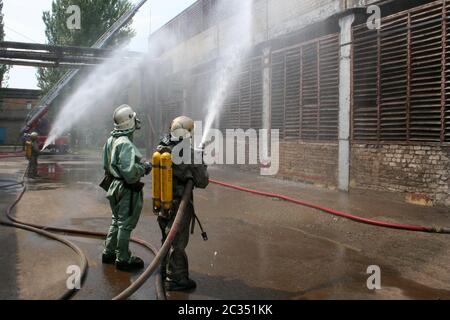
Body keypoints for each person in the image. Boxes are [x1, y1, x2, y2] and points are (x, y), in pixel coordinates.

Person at [156, 116, 209, 291]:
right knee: (177, 242)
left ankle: (163, 270)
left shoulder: (162, 148)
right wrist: (201, 162)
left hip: (163, 202)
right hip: (179, 204)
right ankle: (176, 278)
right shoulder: (189, 154)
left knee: (166, 237)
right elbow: (202, 181)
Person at [101, 105, 152, 272]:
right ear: (129, 122)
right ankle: (123, 259)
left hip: (114, 186)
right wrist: (144, 169)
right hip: (126, 188)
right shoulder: (125, 144)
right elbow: (130, 174)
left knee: (116, 220)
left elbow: (107, 164)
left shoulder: (111, 140)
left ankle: (108, 253)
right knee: (125, 224)